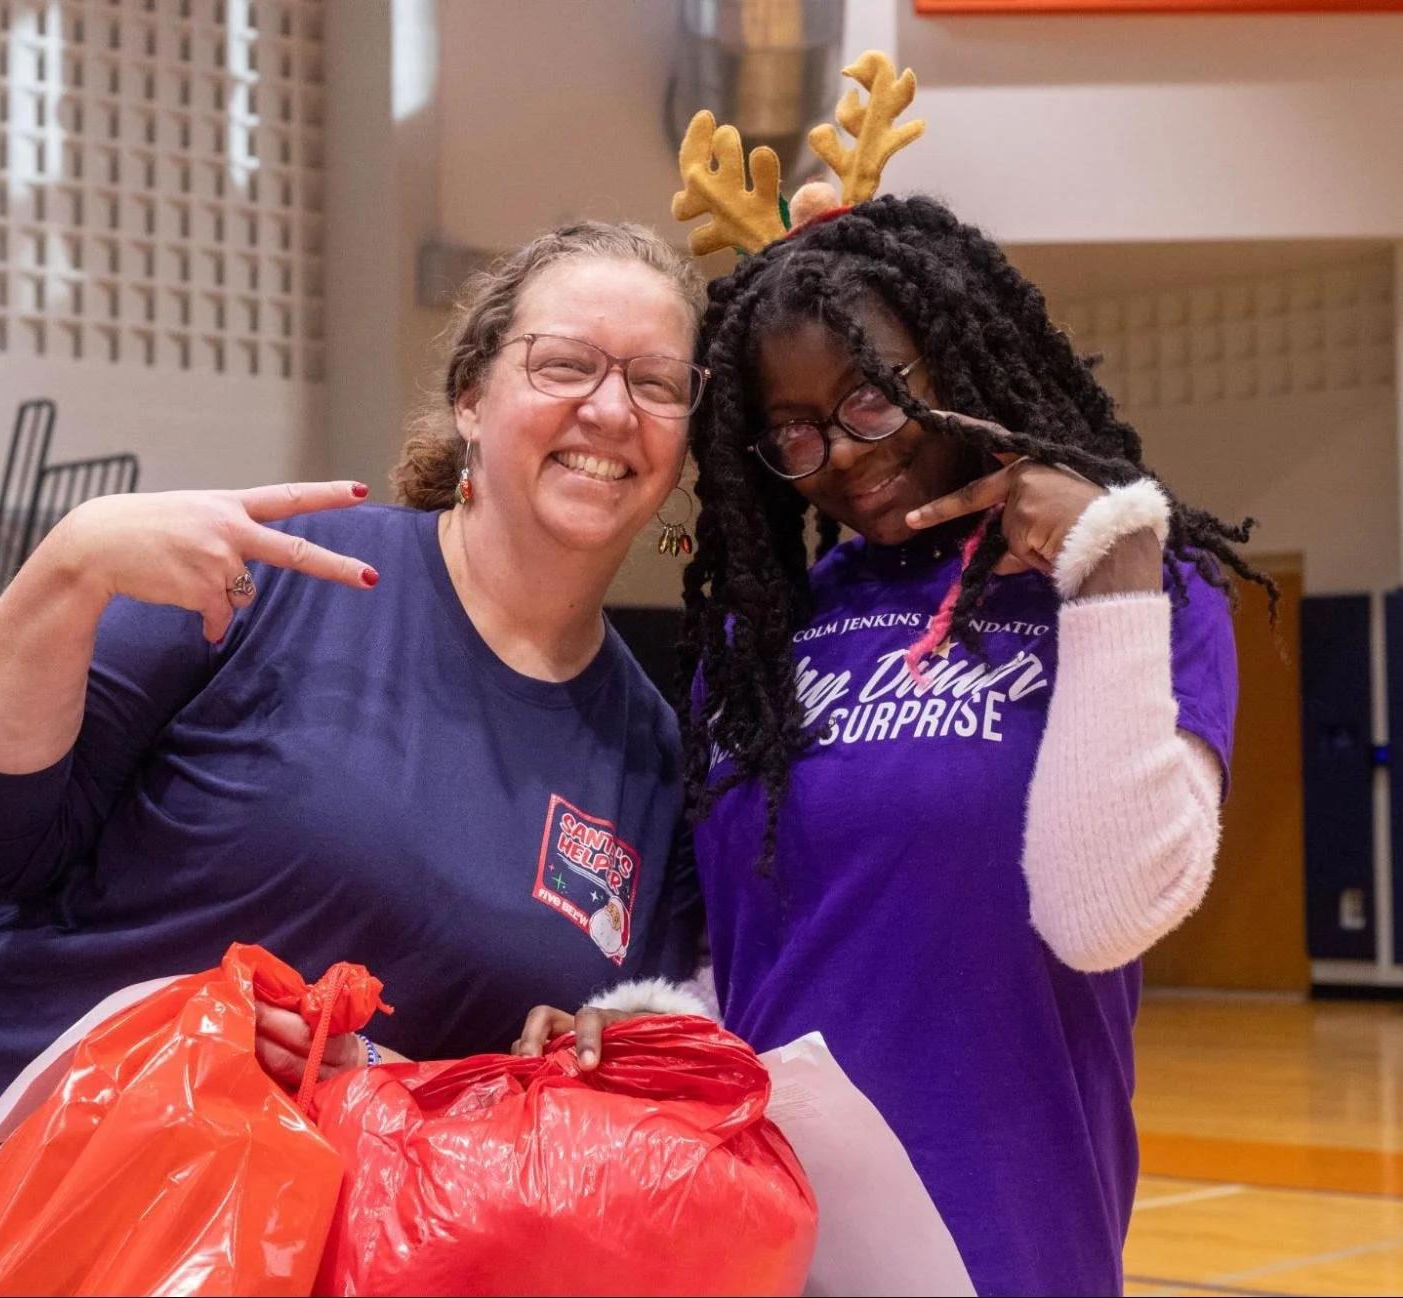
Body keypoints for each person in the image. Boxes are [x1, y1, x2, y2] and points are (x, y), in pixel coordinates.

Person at [0, 221, 711, 1296]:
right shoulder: (274, 580)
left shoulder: (650, 756)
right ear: (469, 397)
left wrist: (528, 1064)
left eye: (655, 382)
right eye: (564, 364)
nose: (609, 408)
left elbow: (541, 1082)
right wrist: (69, 567)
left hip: (223, 1259)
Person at [520, 74, 1270, 1296]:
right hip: (763, 1238)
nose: (845, 457)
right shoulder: (765, 637)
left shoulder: (1140, 588)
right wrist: (649, 1016)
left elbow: (1101, 913)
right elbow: (761, 954)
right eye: (796, 432)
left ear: (964, 351)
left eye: (873, 397)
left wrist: (1112, 563)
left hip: (1009, 1237)